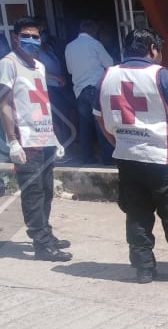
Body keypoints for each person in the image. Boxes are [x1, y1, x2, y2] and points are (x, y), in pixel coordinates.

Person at [94, 28, 168, 284]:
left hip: (128, 159)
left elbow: (100, 118)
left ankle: (143, 269)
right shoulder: (161, 75)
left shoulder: (107, 76)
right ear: (152, 49)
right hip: (164, 158)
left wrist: (119, 142)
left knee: (137, 215)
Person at [0, 17, 70, 262]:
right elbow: (5, 104)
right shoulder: (8, 64)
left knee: (47, 191)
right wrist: (12, 141)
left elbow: (42, 104)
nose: (32, 40)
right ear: (15, 38)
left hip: (45, 137)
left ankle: (45, 233)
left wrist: (54, 136)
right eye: (26, 36)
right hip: (26, 141)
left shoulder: (39, 66)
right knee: (33, 193)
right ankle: (41, 244)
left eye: (35, 36)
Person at [65, 20, 114, 165]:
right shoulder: (95, 44)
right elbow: (110, 64)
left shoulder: (69, 46)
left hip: (80, 90)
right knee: (101, 125)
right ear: (93, 31)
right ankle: (108, 159)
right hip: (95, 88)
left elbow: (70, 70)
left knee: (85, 126)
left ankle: (87, 158)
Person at [37, 22, 76, 159]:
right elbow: (38, 71)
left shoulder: (48, 47)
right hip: (50, 88)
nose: (44, 34)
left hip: (60, 87)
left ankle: (69, 148)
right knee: (59, 120)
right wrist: (55, 77)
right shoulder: (35, 52)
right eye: (40, 32)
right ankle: (63, 151)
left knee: (67, 116)